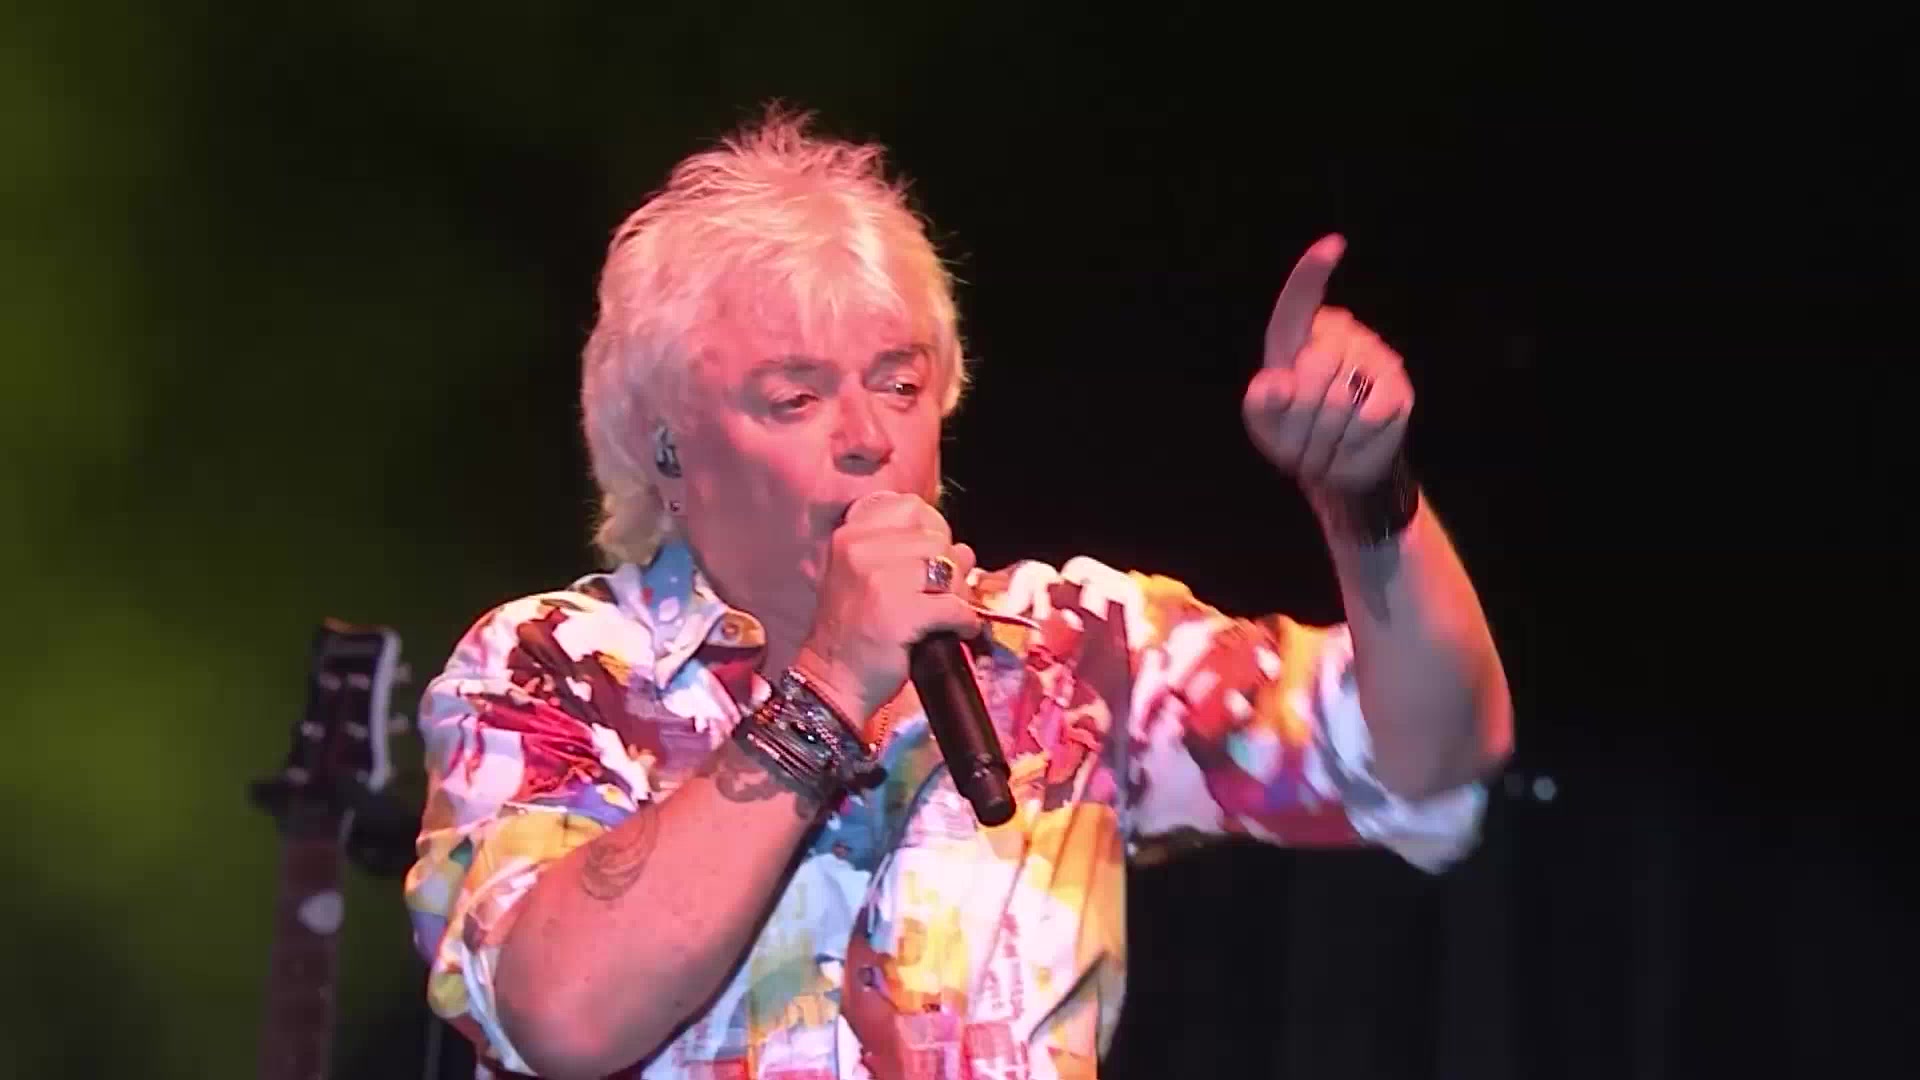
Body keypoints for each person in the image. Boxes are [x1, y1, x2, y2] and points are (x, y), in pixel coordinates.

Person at [403, 107, 1513, 1080]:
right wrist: (829, 686)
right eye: (795, 398)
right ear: (665, 449)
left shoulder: (1065, 651)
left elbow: (1431, 752)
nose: (867, 437)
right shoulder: (552, 666)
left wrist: (1366, 498)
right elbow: (561, 1013)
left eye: (900, 384)